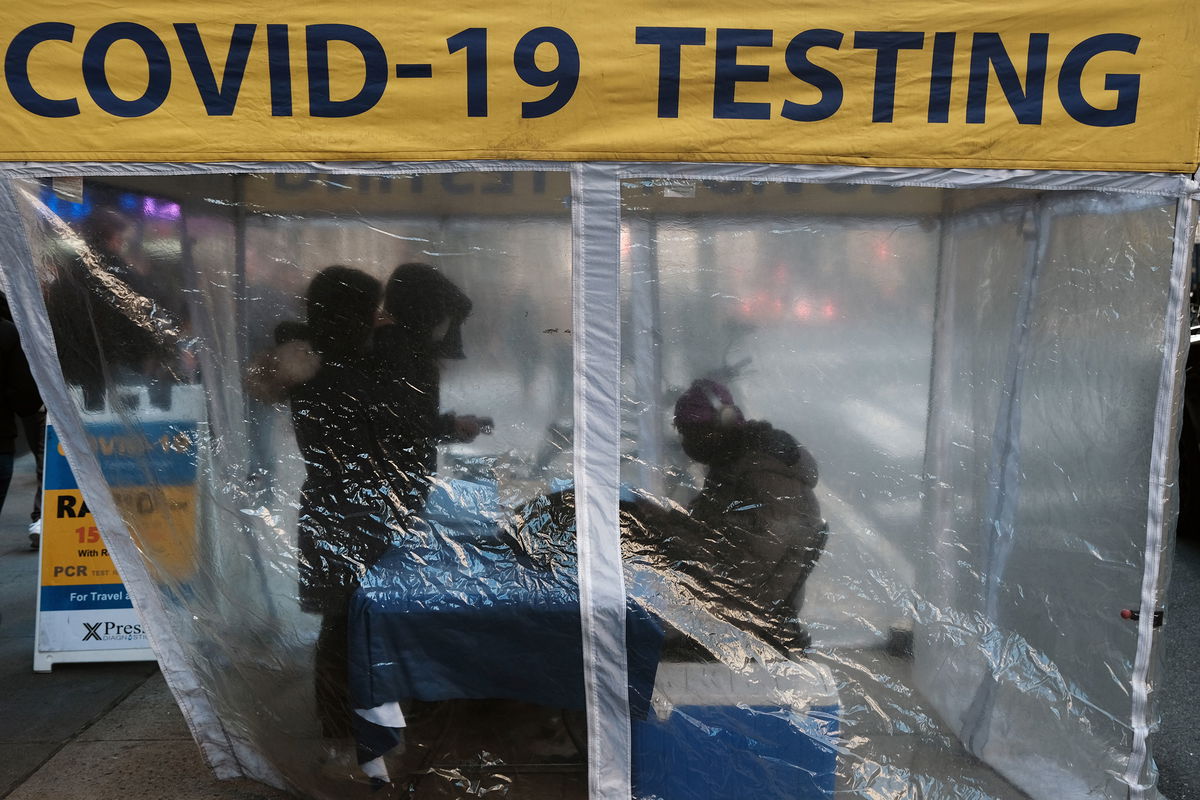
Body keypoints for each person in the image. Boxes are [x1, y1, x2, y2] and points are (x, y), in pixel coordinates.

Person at [668, 378, 826, 655]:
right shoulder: (742, 465)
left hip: (749, 621)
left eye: (689, 433)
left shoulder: (760, 482)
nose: (685, 442)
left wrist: (670, 535)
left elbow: (743, 572)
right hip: (757, 607)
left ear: (715, 430)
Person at [371, 262, 488, 509]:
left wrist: (451, 426)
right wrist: (450, 426)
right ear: (426, 312)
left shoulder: (393, 345)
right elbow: (400, 425)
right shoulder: (396, 350)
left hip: (394, 487)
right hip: (392, 490)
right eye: (442, 318)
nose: (444, 331)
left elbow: (405, 418)